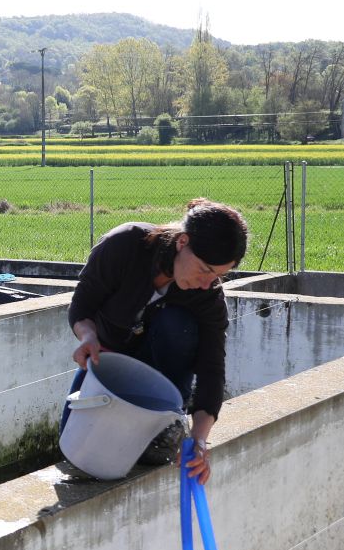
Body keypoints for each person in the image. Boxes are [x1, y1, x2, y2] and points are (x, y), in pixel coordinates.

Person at [65, 198, 249, 484]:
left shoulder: (208, 296)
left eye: (217, 276)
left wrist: (199, 440)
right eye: (204, 269)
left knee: (178, 324)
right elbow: (83, 305)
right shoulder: (125, 245)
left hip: (159, 388)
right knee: (78, 457)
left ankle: (168, 424)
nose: (206, 282)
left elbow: (212, 369)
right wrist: (88, 337)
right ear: (182, 242)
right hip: (109, 371)